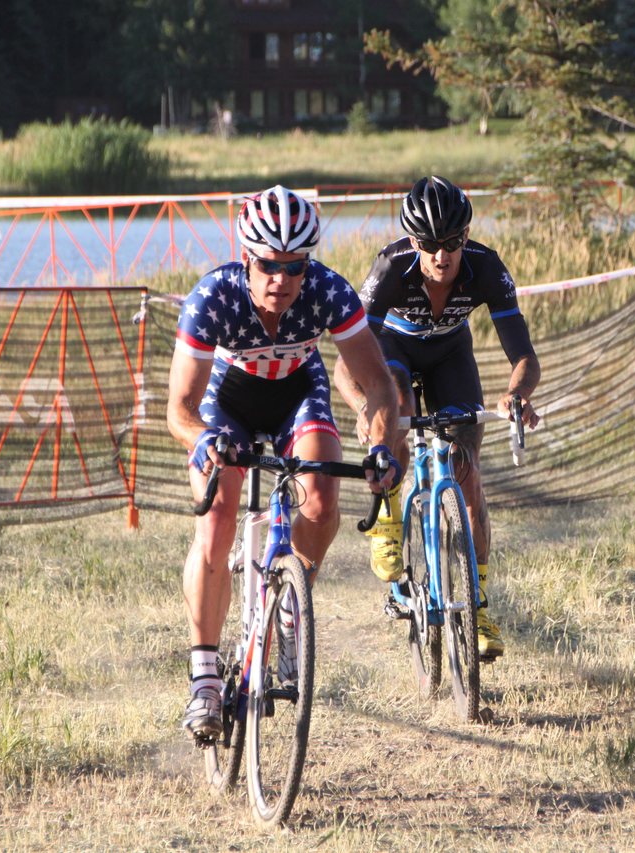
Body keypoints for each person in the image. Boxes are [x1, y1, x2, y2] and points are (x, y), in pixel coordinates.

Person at [167, 185, 401, 741]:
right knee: (217, 519)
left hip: (298, 391)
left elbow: (381, 388)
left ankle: (292, 606)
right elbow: (178, 408)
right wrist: (203, 442)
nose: (282, 280)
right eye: (269, 265)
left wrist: (381, 448)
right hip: (227, 403)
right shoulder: (213, 298)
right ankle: (204, 679)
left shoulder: (328, 293)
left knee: (321, 500)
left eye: (295, 267)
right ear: (247, 257)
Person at [335, 176, 540, 660]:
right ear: (413, 242)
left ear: (465, 238)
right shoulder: (390, 269)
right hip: (393, 353)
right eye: (428, 244)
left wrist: (516, 395)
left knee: (467, 473)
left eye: (451, 244)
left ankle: (480, 606)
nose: (441, 256)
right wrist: (364, 408)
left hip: (451, 357)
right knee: (398, 401)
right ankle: (388, 513)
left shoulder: (486, 268)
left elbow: (524, 357)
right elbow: (345, 365)